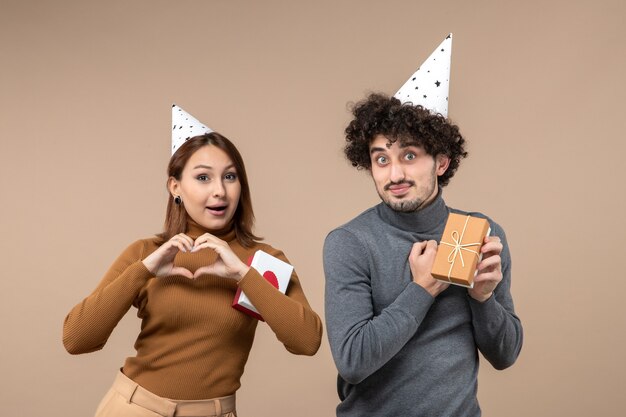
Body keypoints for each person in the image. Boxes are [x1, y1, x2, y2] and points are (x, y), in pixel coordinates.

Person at [63, 126, 323, 417]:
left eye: (230, 176)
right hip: (133, 408)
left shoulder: (262, 261)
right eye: (203, 177)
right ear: (175, 187)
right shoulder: (146, 253)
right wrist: (144, 270)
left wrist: (243, 274)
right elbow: (76, 339)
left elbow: (307, 341)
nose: (220, 191)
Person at [323, 93, 523, 416]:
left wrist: (484, 299)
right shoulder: (349, 243)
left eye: (410, 155)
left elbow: (506, 354)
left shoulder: (480, 234)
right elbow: (352, 361)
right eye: (382, 160)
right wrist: (422, 289)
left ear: (441, 162)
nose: (395, 175)